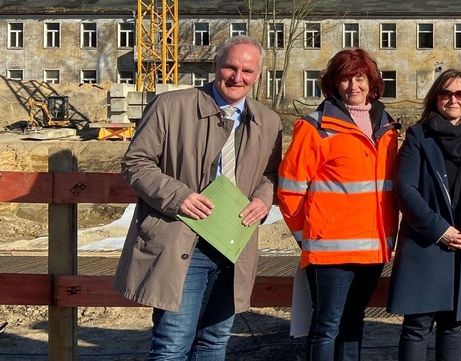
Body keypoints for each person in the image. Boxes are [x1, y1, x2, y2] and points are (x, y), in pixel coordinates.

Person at [114, 35, 282, 360]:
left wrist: (263, 200)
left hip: (233, 243)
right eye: (230, 67)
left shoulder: (268, 121)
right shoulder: (170, 107)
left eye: (247, 71)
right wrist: (179, 197)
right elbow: (135, 163)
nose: (237, 77)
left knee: (214, 344)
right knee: (172, 346)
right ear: (216, 65)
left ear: (258, 74)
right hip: (183, 243)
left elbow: (271, 174)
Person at [277, 48, 399, 361]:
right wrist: (306, 237)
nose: (353, 86)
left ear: (372, 83)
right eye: (345, 79)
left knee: (354, 322)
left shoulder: (387, 128)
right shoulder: (315, 128)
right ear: (334, 83)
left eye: (360, 78)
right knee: (327, 326)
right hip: (331, 250)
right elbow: (290, 189)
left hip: (373, 249)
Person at [388, 69, 461, 361]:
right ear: (436, 98)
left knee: (452, 326)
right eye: (446, 93)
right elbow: (406, 188)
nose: (453, 100)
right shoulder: (419, 137)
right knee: (417, 324)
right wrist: (441, 230)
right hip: (426, 242)